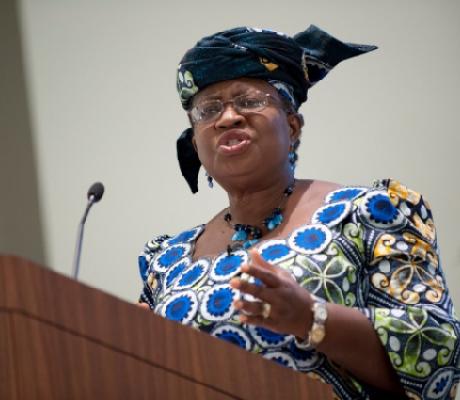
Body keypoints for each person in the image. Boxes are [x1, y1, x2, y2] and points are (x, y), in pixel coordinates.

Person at [138, 25, 460, 399]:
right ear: (195, 143)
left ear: (292, 126)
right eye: (209, 109)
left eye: (248, 100)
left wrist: (311, 318)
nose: (228, 118)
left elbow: (437, 355)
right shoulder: (166, 260)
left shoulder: (367, 213)